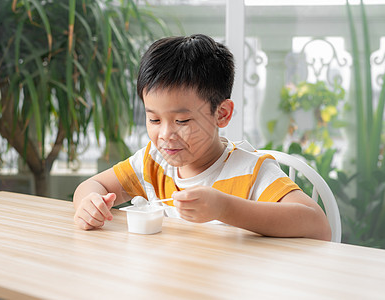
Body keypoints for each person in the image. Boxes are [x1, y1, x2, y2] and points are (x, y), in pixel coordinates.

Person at [73, 34, 332, 241]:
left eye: (182, 121)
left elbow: (318, 226)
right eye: (154, 119)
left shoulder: (250, 171)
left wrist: (224, 209)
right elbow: (94, 186)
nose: (164, 135)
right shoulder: (151, 164)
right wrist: (89, 203)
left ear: (222, 114)